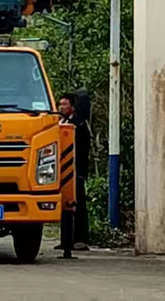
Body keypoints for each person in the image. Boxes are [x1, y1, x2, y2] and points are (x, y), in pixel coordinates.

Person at [58, 93, 92, 251]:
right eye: (60, 104)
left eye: (64, 104)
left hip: (76, 170)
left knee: (78, 203)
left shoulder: (80, 125)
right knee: (64, 205)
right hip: (63, 172)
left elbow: (83, 149)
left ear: (72, 106)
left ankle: (81, 238)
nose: (61, 107)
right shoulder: (61, 122)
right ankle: (66, 239)